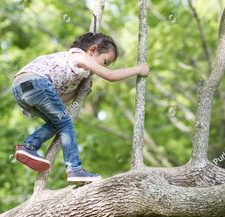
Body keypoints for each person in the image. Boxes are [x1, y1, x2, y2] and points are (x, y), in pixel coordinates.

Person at [11, 32, 149, 183]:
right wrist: (138, 70)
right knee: (65, 123)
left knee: (57, 122)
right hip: (37, 82)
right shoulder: (79, 56)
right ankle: (74, 169)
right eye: (105, 62)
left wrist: (79, 92)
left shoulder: (67, 66)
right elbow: (110, 76)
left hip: (21, 89)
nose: (103, 67)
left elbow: (57, 98)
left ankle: (29, 146)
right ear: (92, 50)